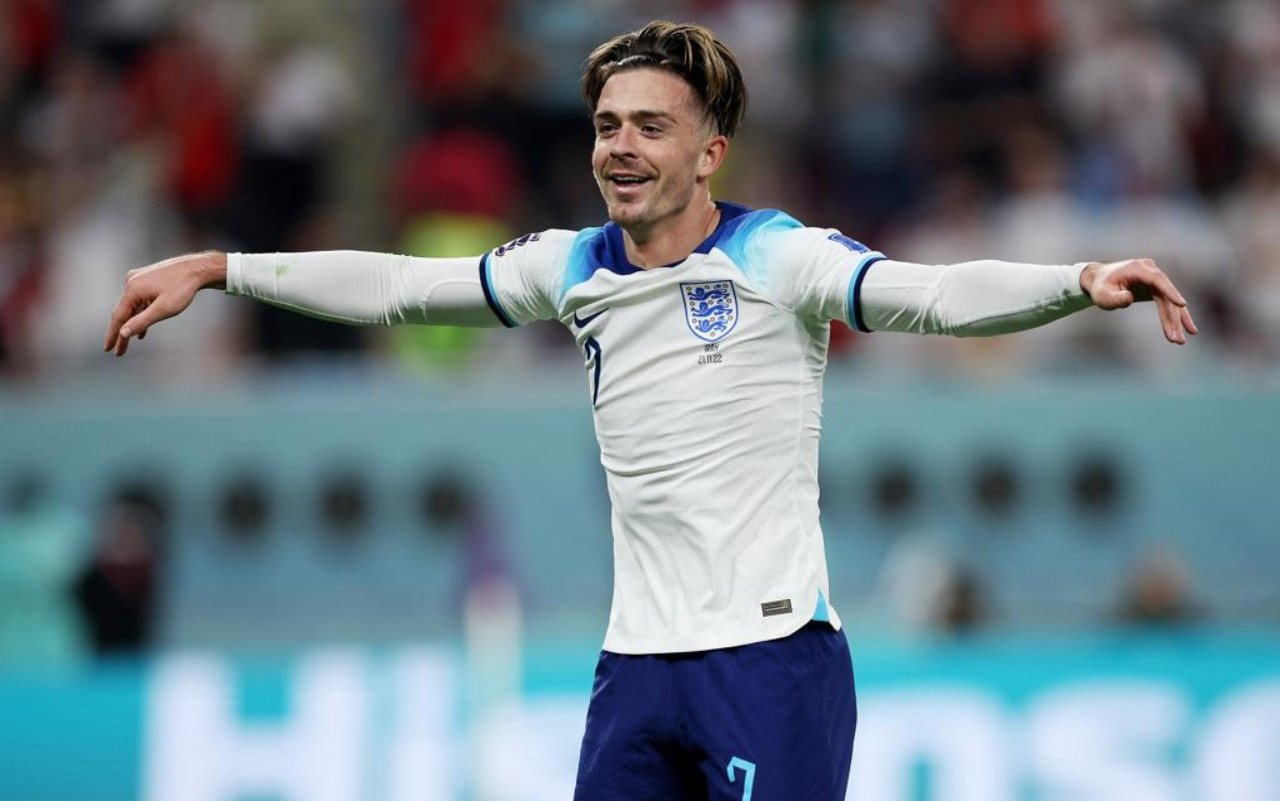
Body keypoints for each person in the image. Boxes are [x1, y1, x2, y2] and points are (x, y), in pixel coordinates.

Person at [103, 20, 1196, 800]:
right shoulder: (571, 266)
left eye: (650, 127)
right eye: (607, 125)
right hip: (634, 668)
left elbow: (935, 296)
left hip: (770, 661)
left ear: (708, 152)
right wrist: (220, 266)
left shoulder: (778, 257)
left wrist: (1077, 279)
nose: (620, 145)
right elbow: (397, 286)